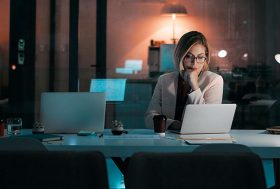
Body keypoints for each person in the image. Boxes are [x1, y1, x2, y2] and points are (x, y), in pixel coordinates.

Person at [145, 31, 223, 130]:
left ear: (206, 57)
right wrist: (174, 125)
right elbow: (150, 117)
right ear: (180, 56)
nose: (194, 63)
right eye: (188, 56)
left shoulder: (214, 80)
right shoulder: (164, 80)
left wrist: (195, 86)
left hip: (200, 139)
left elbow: (208, 120)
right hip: (167, 138)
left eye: (200, 57)